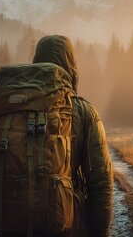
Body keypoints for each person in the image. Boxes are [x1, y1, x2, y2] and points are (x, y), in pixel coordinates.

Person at [32, 35, 113, 237]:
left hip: (11, 224)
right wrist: (99, 232)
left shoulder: (9, 108)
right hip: (66, 226)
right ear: (71, 65)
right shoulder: (83, 112)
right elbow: (101, 183)